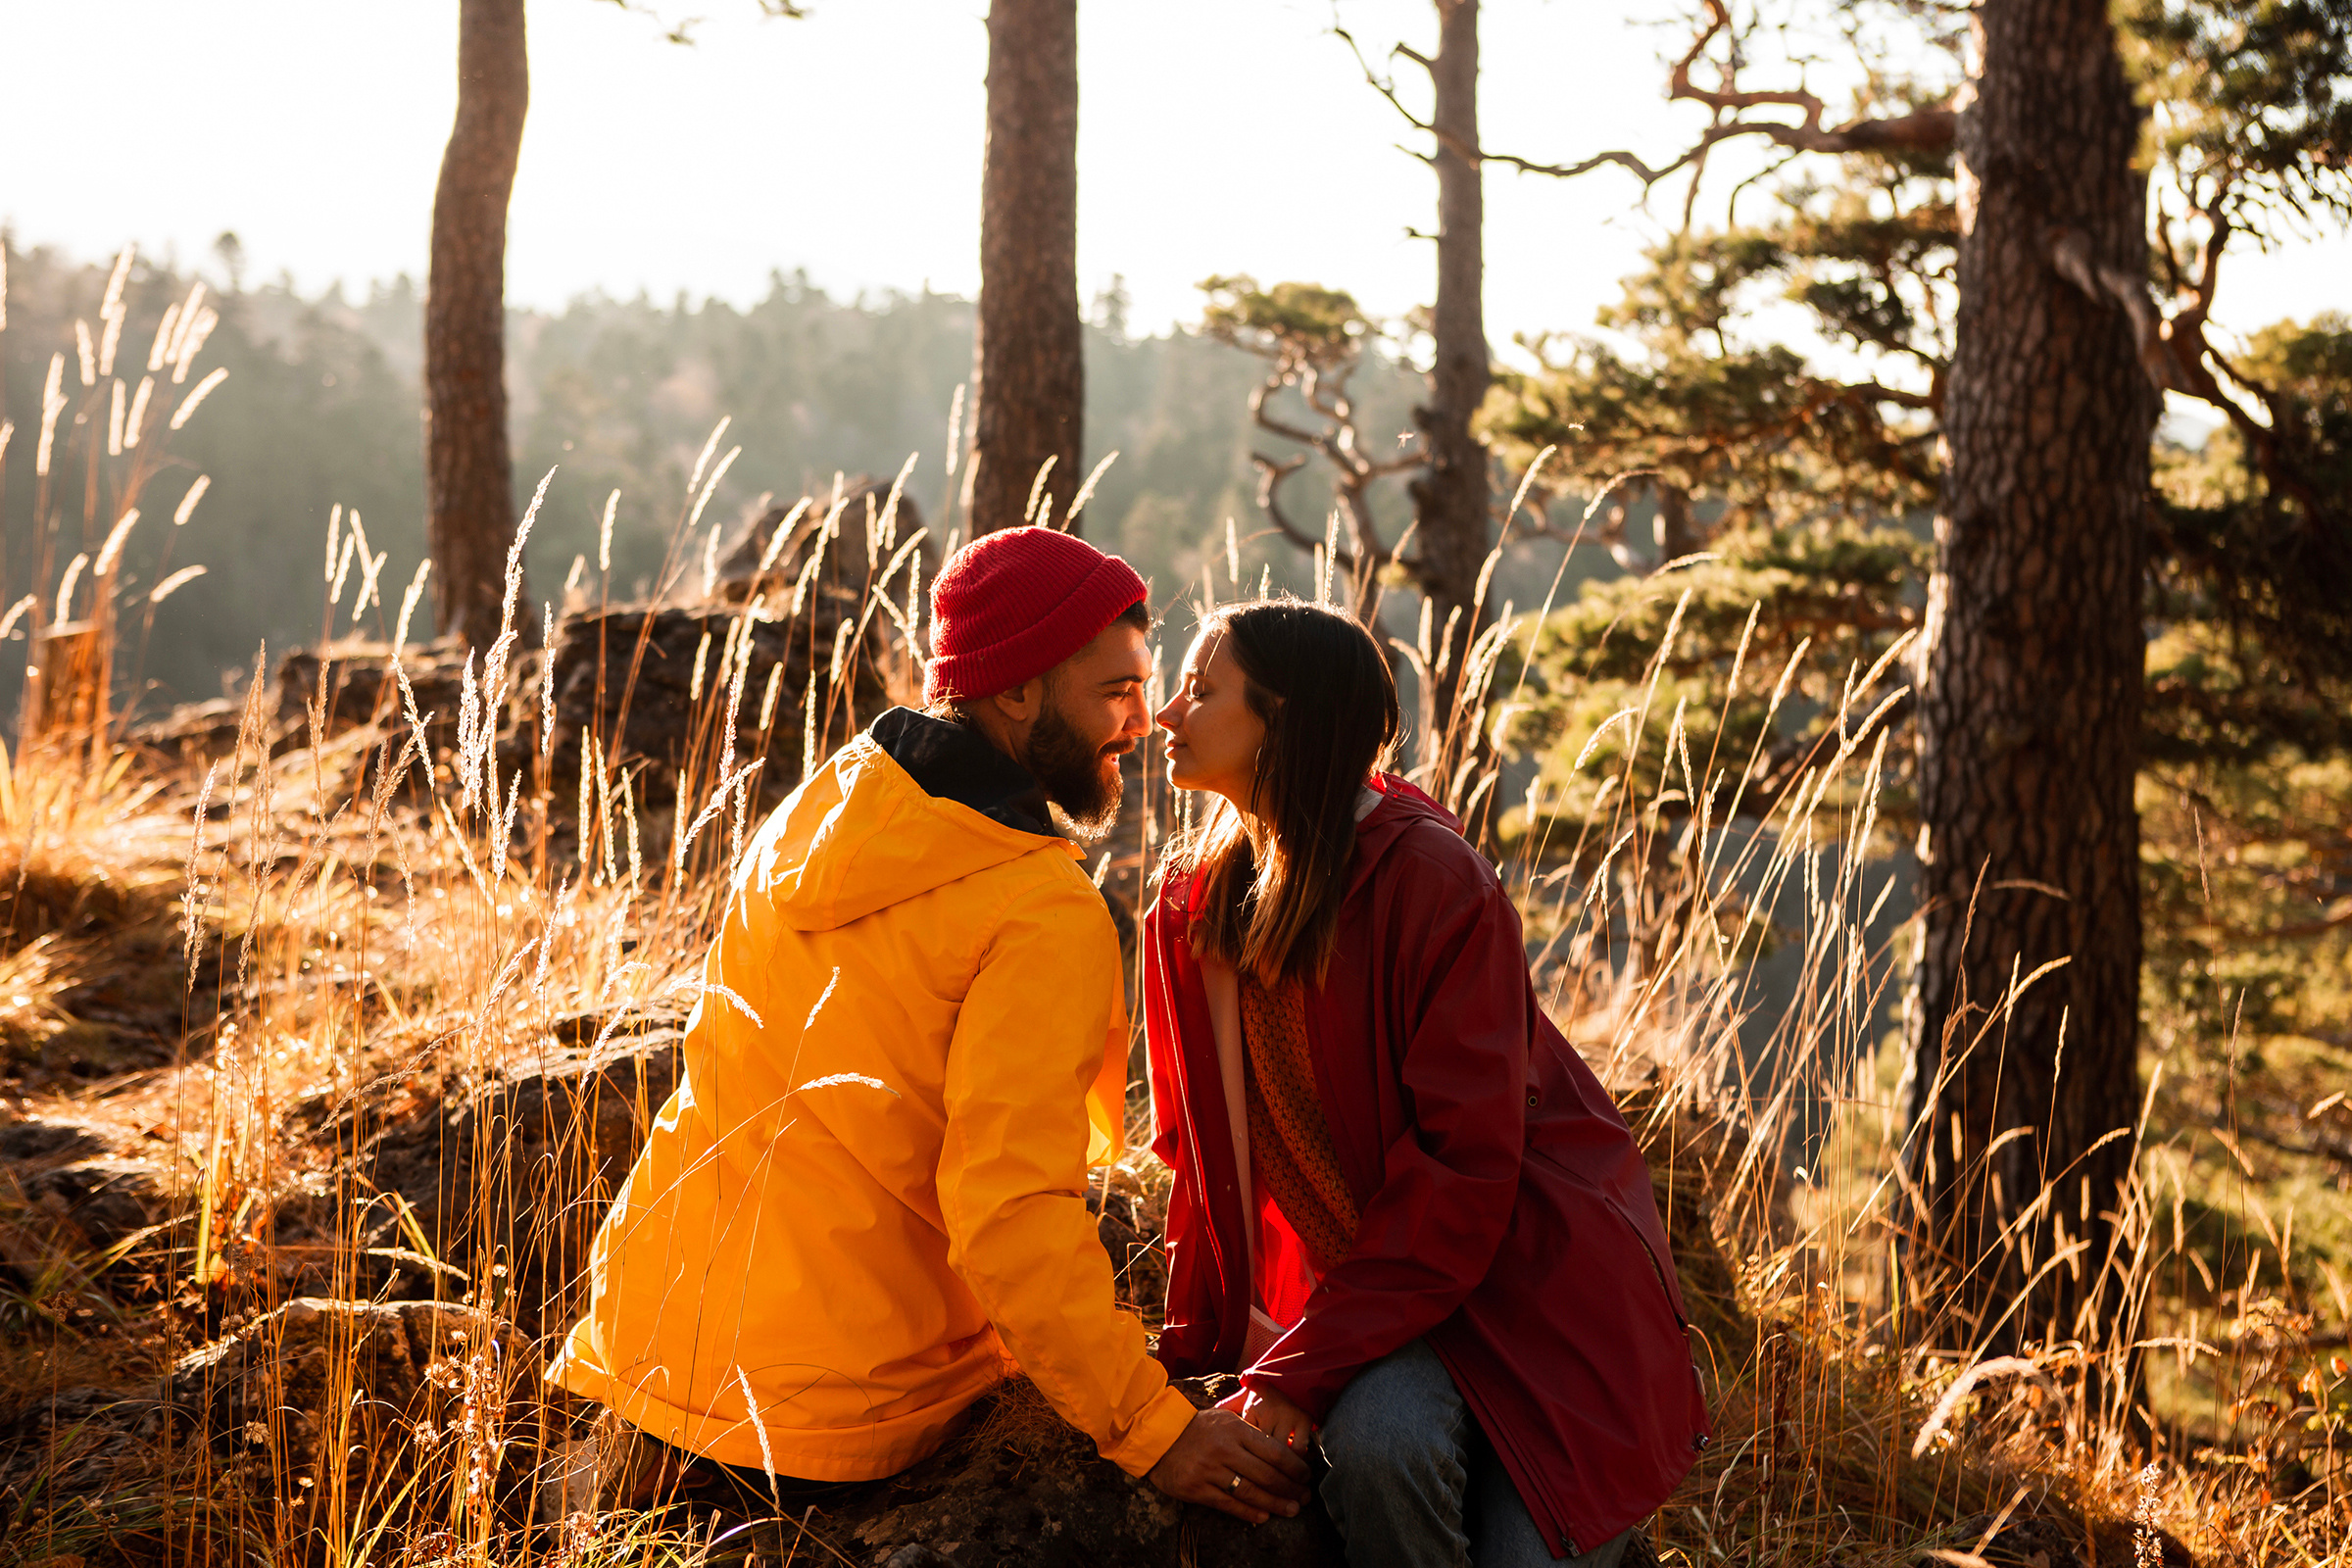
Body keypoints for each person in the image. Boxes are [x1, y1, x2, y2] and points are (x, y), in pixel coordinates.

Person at [548, 527, 1308, 1525]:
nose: (1142, 720)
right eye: (1116, 690)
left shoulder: (828, 803)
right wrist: (1155, 1430)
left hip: (657, 1343)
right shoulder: (1039, 910)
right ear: (1018, 692)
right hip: (841, 1406)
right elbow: (1010, 1213)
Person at [1145, 598, 1711, 1567]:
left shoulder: (1432, 883)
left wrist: (1301, 1370)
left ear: (1284, 722)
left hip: (1536, 1290)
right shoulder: (1192, 908)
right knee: (1376, 1454)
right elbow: (1197, 1155)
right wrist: (1207, 1359)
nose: (1167, 712)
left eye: (1199, 690)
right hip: (1385, 1297)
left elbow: (1463, 1170)